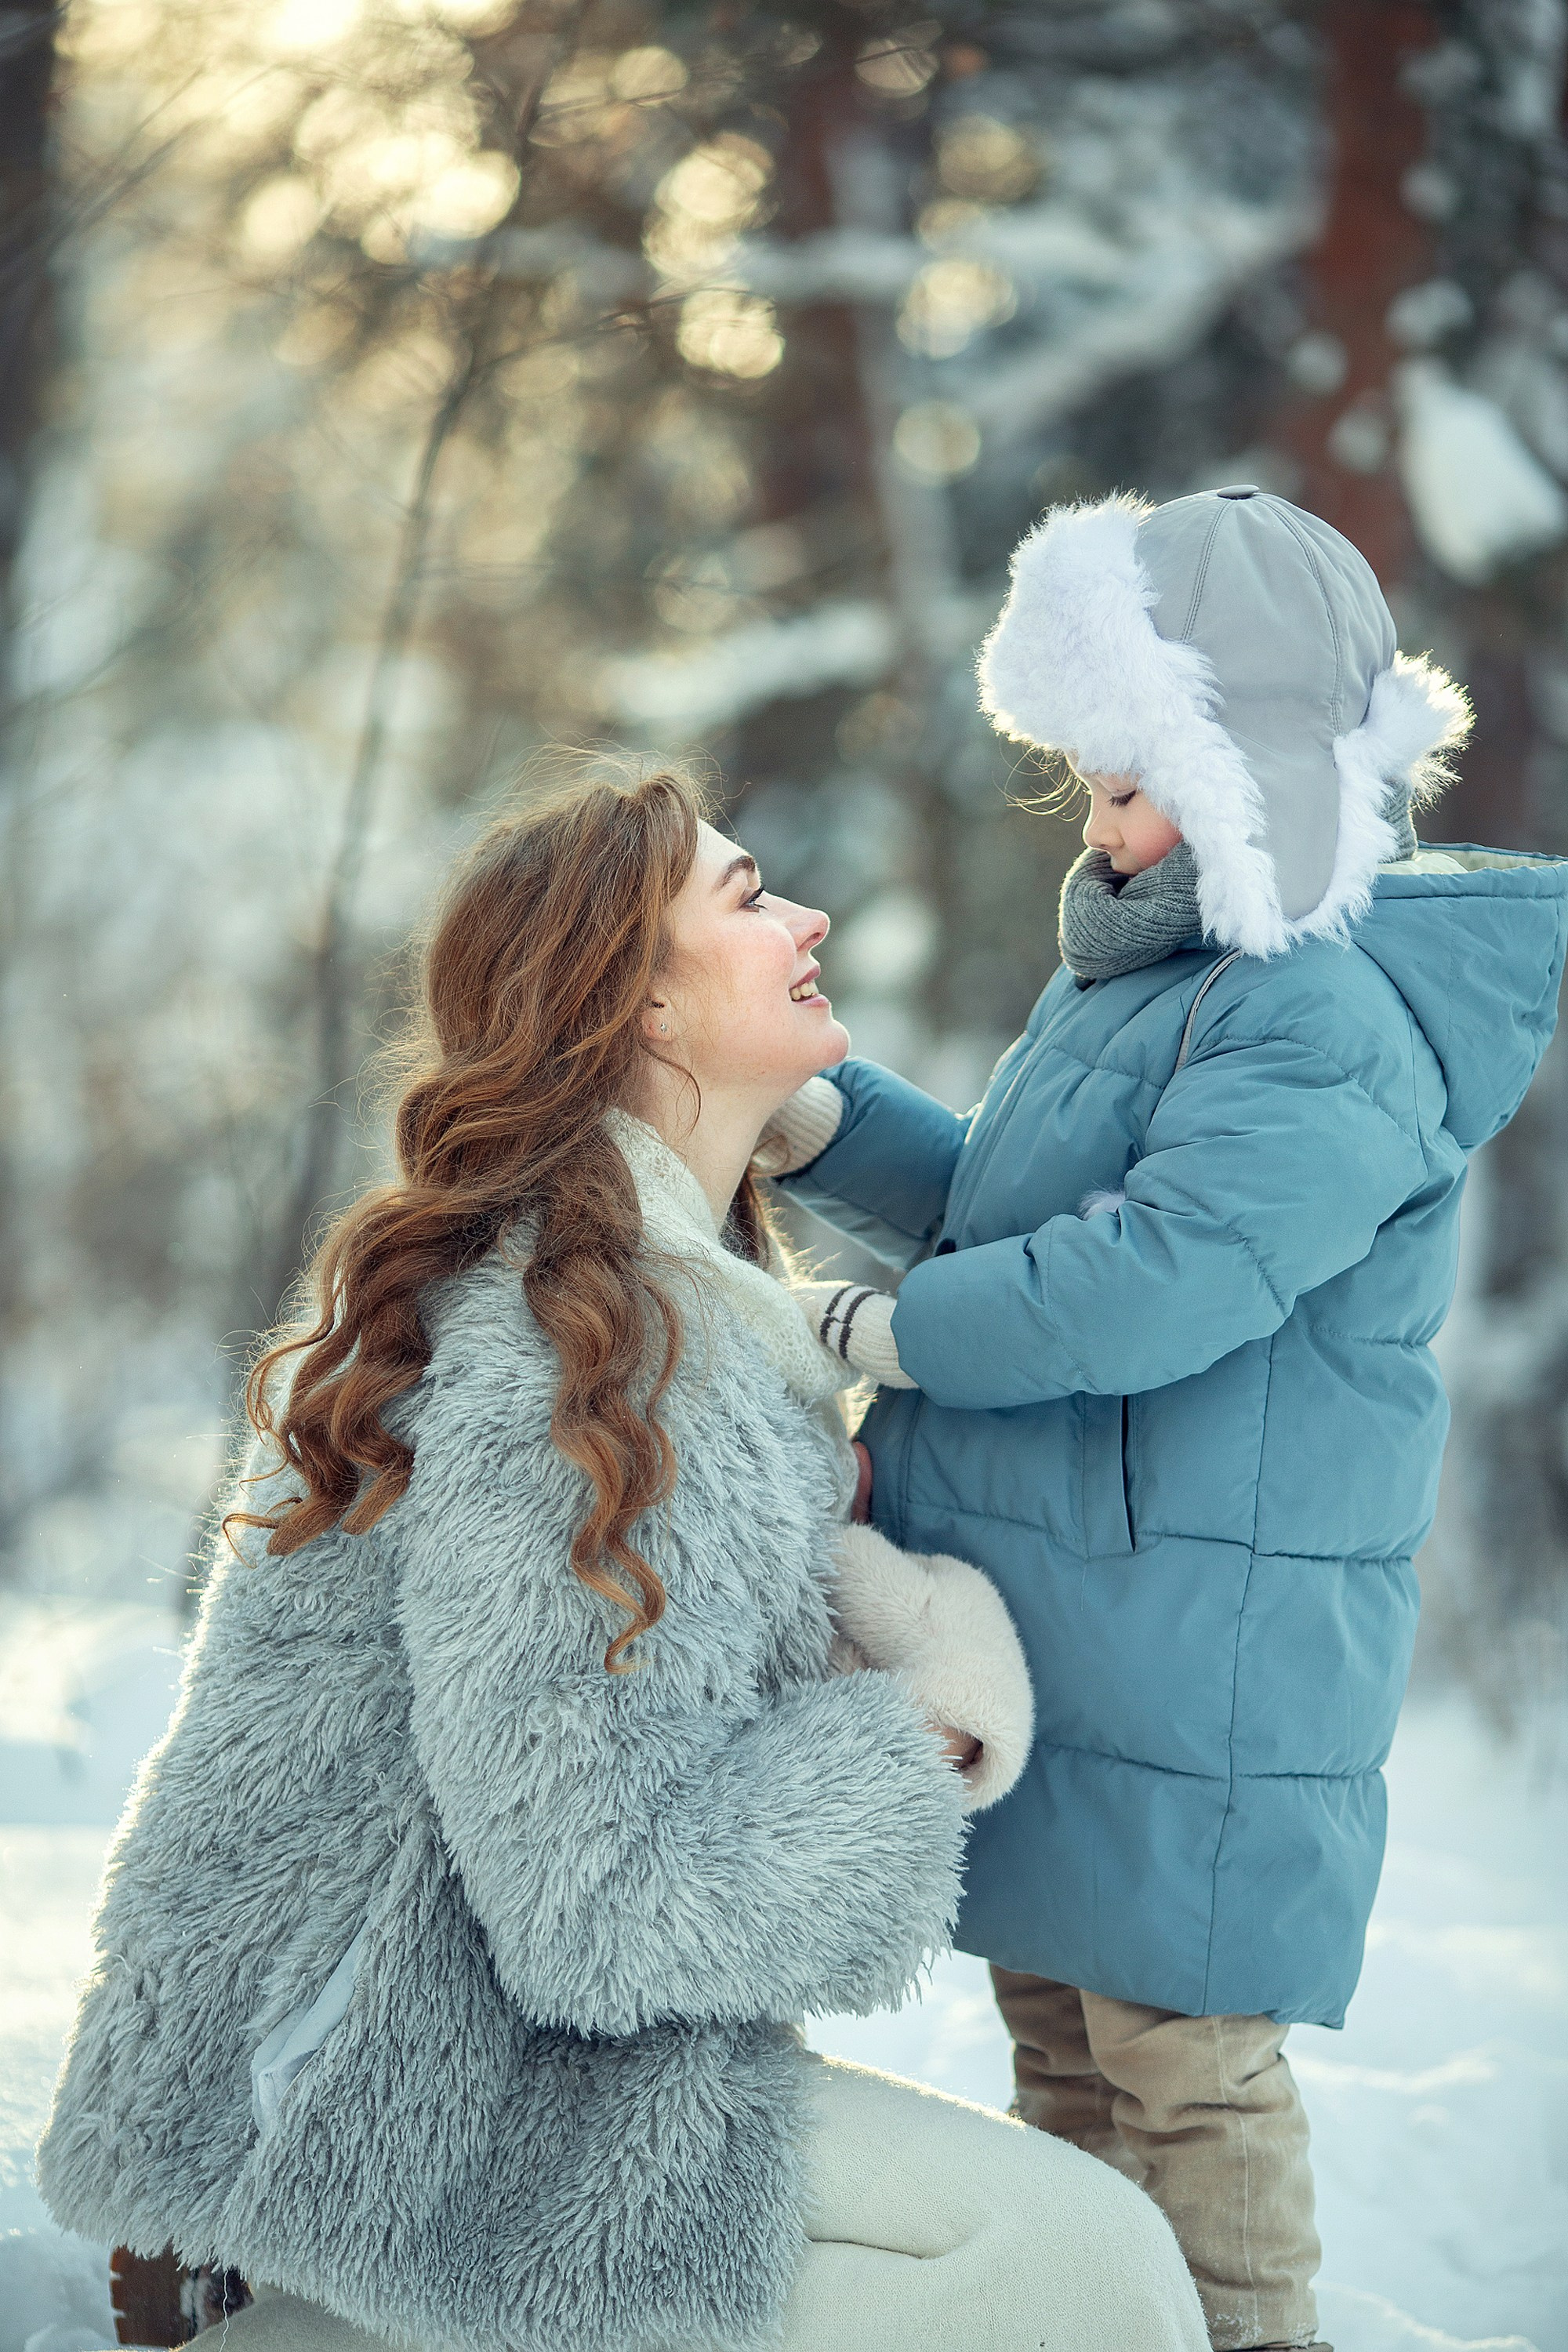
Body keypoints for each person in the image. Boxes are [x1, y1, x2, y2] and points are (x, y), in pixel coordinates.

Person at [37, 769, 1208, 2352]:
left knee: (1071, 2256)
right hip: (385, 2123)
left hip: (433, 2073)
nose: (809, 919)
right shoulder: (570, 1350)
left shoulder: (649, 1302)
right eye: (746, 898)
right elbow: (597, 1906)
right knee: (1084, 2277)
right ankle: (308, 2333)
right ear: (641, 1004)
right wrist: (916, 1736)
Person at [771, 485, 1568, 2351]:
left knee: (1182, 2067)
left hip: (1208, 1654)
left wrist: (877, 1333)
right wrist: (830, 1129)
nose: (1099, 821)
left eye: (1131, 779)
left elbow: (1155, 1276)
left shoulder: (1317, 1021)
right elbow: (1022, 1215)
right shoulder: (1159, 976)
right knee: (1059, 2042)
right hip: (1095, 1623)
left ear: (1259, 771)